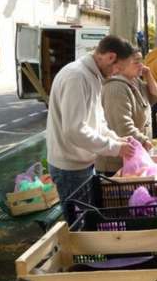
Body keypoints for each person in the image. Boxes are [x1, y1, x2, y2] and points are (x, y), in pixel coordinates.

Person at [46, 35, 136, 215]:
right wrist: (115, 148)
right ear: (110, 57)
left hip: (83, 163)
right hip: (70, 168)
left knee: (89, 217)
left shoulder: (93, 76)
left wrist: (116, 139)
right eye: (118, 68)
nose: (117, 73)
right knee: (81, 223)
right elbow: (74, 130)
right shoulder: (76, 77)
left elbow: (97, 122)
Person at [96, 49, 157, 176]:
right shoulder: (115, 88)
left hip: (134, 159)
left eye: (141, 61)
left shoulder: (135, 81)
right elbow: (122, 127)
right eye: (136, 62)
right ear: (120, 65)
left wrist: (148, 74)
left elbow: (155, 97)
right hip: (116, 166)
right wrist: (144, 141)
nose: (141, 65)